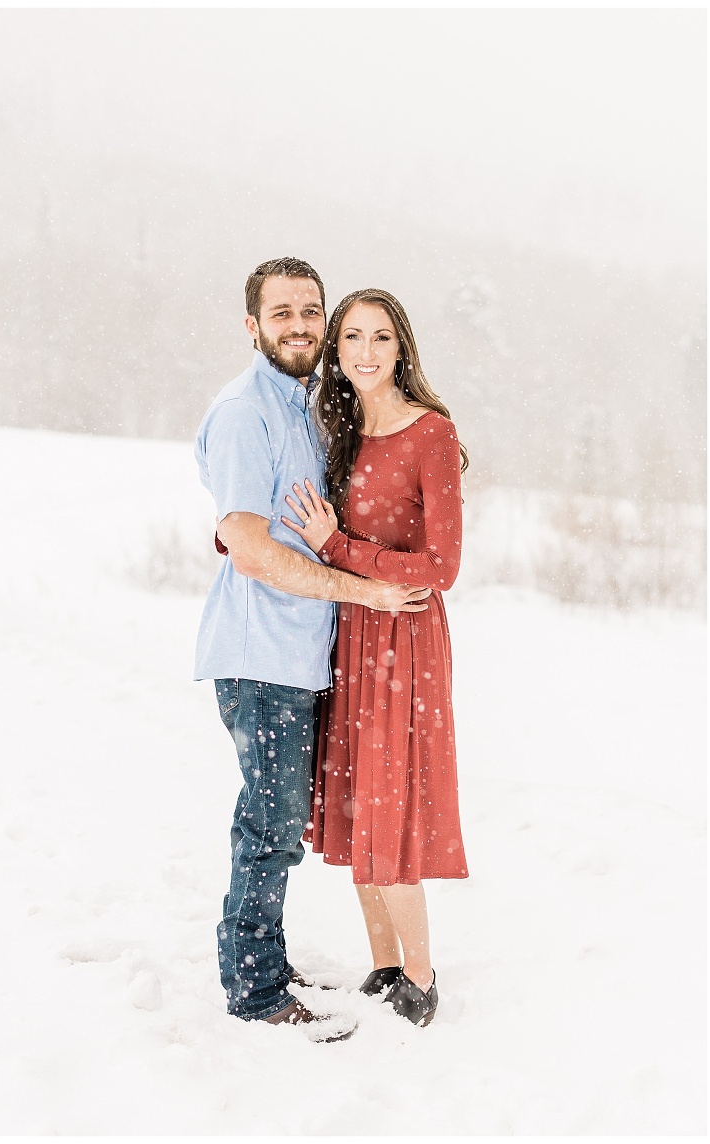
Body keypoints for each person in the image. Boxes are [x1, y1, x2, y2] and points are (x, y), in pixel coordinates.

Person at [194, 259, 431, 1041]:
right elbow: (254, 548)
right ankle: (255, 990)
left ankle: (259, 957)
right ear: (252, 324)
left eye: (310, 311)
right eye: (282, 312)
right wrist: (367, 593)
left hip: (305, 656)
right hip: (262, 657)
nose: (300, 325)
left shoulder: (306, 404)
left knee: (281, 823)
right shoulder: (243, 411)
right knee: (270, 824)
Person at [281, 287, 469, 1029]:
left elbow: (441, 566)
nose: (364, 353)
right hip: (353, 635)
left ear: (402, 349)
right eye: (351, 338)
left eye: (380, 338)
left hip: (407, 636)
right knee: (360, 796)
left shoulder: (431, 434)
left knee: (391, 799)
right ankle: (385, 963)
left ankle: (421, 981)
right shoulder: (342, 430)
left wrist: (342, 551)